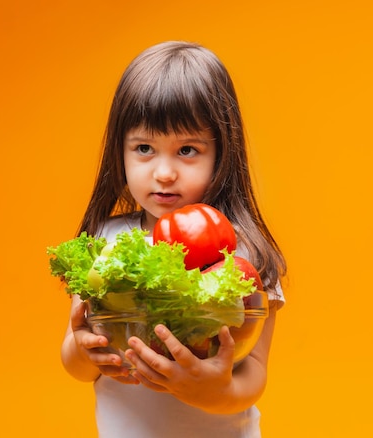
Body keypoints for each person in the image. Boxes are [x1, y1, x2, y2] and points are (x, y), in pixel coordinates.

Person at [60, 41, 287, 437]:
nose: (164, 173)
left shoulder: (242, 253)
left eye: (187, 150)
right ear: (121, 151)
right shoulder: (106, 245)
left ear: (222, 154)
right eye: (144, 148)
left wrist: (213, 391)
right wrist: (83, 351)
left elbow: (254, 373)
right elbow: (75, 361)